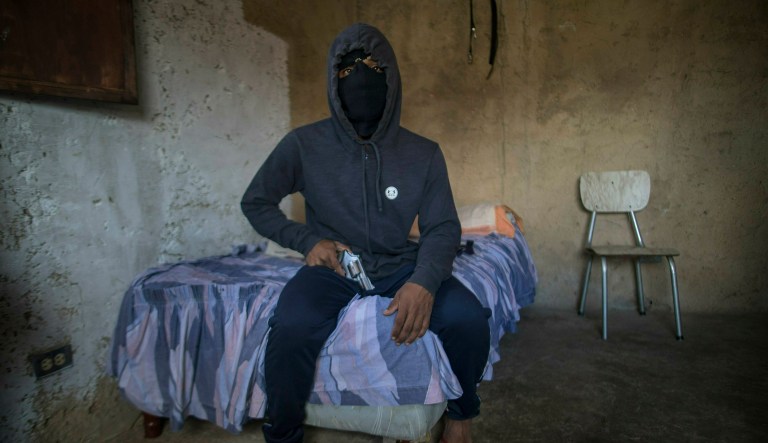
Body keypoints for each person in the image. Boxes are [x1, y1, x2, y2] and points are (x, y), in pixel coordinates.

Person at [241, 23, 490, 443]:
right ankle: (283, 435)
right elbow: (256, 202)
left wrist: (423, 282)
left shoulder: (423, 153)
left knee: (468, 319)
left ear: (391, 79)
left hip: (399, 264)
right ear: (331, 83)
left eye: (373, 66)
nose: (359, 79)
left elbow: (443, 227)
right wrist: (306, 241)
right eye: (345, 71)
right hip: (333, 268)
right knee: (291, 327)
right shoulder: (303, 145)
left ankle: (461, 416)